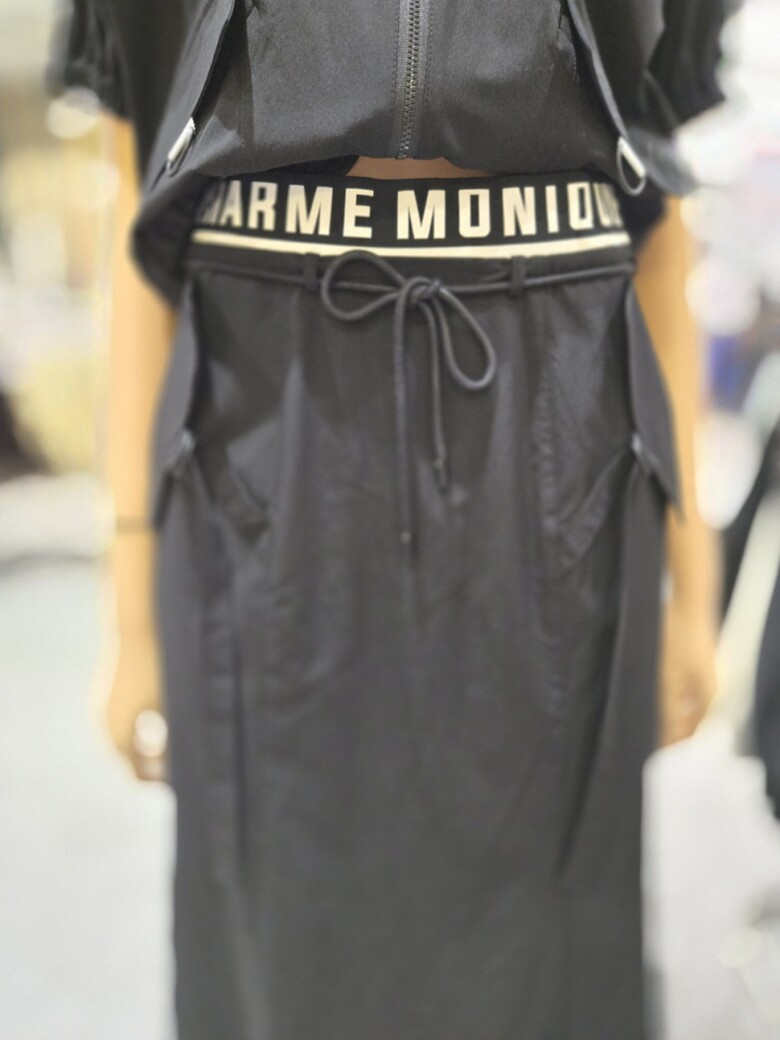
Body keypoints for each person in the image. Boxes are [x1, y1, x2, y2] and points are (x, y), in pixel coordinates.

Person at [47, 1, 727, 1037]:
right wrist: (129, 591)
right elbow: (138, 198)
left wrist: (694, 572)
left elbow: (664, 224)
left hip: (559, 444)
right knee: (281, 961)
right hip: (264, 441)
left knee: (552, 964)